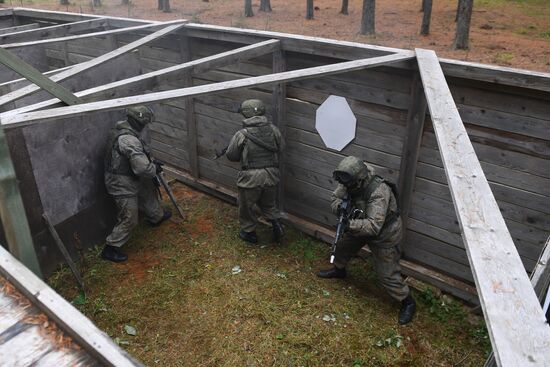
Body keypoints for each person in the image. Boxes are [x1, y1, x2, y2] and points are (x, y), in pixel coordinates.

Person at [317, 156, 416, 325]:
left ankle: (407, 301)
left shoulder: (379, 191)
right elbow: (335, 198)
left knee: (387, 274)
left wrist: (349, 224)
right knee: (341, 247)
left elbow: (374, 226)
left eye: (348, 184)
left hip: (384, 234)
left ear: (359, 179)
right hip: (358, 223)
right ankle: (339, 270)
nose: (344, 186)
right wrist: (340, 209)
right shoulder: (348, 180)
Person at [102, 105, 171, 262]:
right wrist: (154, 168)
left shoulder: (123, 128)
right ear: (140, 122)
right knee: (129, 217)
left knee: (147, 193)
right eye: (145, 122)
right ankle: (111, 248)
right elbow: (143, 169)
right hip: (120, 182)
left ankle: (156, 217)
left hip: (130, 176)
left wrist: (151, 162)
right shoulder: (128, 139)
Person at [224, 99, 285, 245]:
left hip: (250, 179)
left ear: (246, 114)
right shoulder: (273, 129)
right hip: (271, 175)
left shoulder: (242, 134)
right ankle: (277, 226)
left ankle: (249, 233)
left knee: (246, 207)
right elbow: (281, 147)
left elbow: (231, 155)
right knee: (269, 204)